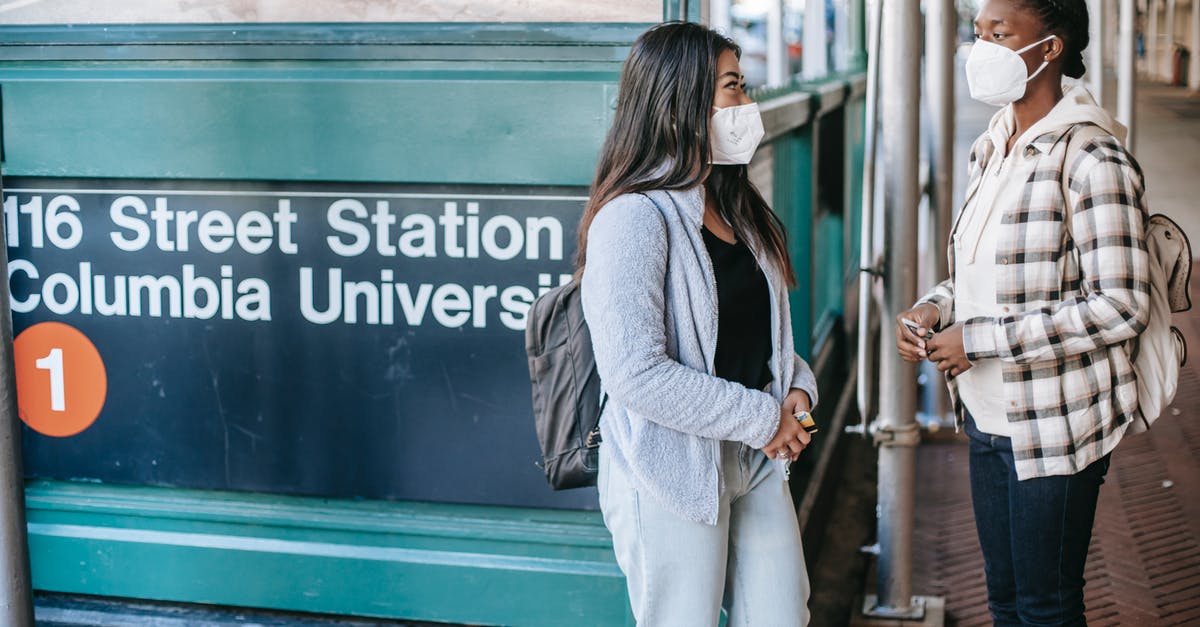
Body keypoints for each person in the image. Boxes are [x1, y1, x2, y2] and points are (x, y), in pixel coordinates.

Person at [895, 0, 1149, 625]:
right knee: (1005, 598)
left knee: (1045, 606)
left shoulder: (1094, 159)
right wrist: (936, 306)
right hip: (985, 409)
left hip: (1054, 423)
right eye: (978, 33)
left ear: (1051, 47)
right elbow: (987, 272)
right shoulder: (995, 144)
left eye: (1000, 33)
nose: (981, 48)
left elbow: (1122, 305)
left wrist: (978, 340)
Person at [577, 22, 820, 627]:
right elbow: (635, 373)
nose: (747, 105)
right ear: (682, 102)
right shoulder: (632, 218)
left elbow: (766, 338)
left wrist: (798, 389)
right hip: (669, 468)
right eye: (734, 87)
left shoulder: (736, 204)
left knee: (782, 616)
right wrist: (768, 418)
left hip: (753, 457)